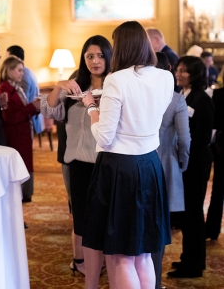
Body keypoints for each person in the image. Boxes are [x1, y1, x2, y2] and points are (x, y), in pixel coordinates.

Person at [81, 21, 173, 289]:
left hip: (120, 168)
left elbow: (104, 137)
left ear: (120, 46)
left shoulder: (116, 80)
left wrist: (90, 108)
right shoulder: (165, 77)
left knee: (122, 256)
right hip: (150, 164)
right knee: (143, 253)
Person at [41, 35, 112, 287]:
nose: (95, 61)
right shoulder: (76, 85)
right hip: (77, 162)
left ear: (109, 56)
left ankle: (105, 261)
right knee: (80, 215)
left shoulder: (115, 85)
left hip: (106, 162)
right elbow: (49, 110)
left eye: (100, 55)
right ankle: (81, 260)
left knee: (105, 216)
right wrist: (59, 86)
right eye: (90, 56)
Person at [168, 56, 214, 278]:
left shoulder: (201, 99)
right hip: (185, 161)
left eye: (184, 71)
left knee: (194, 214)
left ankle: (194, 265)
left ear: (195, 74)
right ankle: (188, 258)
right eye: (178, 69)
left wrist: (180, 142)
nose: (179, 74)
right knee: (187, 214)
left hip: (196, 162)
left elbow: (204, 136)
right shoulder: (182, 95)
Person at [151, 52, 190, 289]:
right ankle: (154, 282)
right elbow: (185, 139)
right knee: (159, 230)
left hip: (135, 163)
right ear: (170, 69)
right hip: (166, 165)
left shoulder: (136, 94)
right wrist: (182, 163)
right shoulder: (176, 100)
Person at [0, 56, 40, 202]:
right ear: (9, 70)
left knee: (25, 164)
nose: (22, 73)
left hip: (23, 133)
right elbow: (8, 118)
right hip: (15, 136)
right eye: (19, 70)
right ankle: (20, 197)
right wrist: (32, 107)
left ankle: (25, 195)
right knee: (18, 168)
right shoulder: (4, 89)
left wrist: (35, 107)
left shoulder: (16, 87)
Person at [6, 45, 43, 135]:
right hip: (31, 117)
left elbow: (21, 103)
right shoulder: (28, 71)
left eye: (8, 58)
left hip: (27, 120)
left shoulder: (22, 76)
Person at [206, 74, 224, 241]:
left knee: (218, 190)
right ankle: (211, 228)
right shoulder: (216, 95)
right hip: (220, 146)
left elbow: (213, 124)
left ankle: (212, 229)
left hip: (220, 147)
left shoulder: (216, 95)